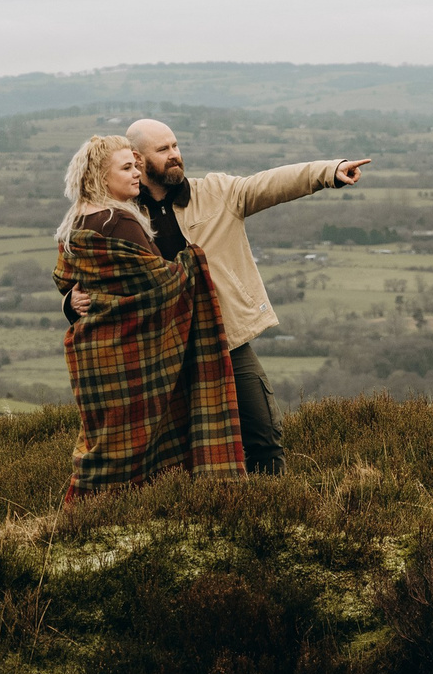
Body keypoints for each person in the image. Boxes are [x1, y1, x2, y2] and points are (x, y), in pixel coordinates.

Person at [69, 118, 369, 474]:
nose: (175, 155)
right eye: (163, 150)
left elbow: (269, 184)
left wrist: (329, 172)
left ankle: (274, 514)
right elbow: (86, 273)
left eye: (176, 146)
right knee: (168, 453)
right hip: (161, 351)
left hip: (224, 339)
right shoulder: (122, 215)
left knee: (263, 434)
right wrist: (69, 301)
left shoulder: (215, 192)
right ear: (138, 157)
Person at [52, 133, 245, 498]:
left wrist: (69, 301)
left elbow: (67, 279)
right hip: (127, 360)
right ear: (99, 176)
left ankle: (89, 518)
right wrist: (193, 261)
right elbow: (160, 285)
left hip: (91, 355)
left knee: (102, 443)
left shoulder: (74, 223)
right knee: (130, 447)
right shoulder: (119, 223)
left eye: (136, 166)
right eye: (126, 168)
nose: (136, 175)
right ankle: (100, 516)